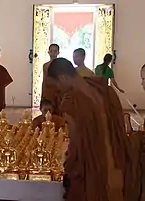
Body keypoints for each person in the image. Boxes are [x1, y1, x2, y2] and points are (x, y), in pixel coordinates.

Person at [47, 58, 135, 201]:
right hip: (115, 162)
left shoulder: (71, 100)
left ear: (62, 78)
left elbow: (76, 142)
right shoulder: (104, 89)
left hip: (92, 169)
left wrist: (69, 164)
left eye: (56, 85)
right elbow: (119, 129)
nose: (57, 90)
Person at [41, 44, 62, 114]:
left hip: (58, 92)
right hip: (48, 92)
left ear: (58, 53)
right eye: (51, 51)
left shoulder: (61, 65)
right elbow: (44, 80)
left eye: (55, 51)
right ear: (48, 52)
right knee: (47, 112)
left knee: (58, 112)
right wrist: (43, 95)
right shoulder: (45, 65)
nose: (53, 53)